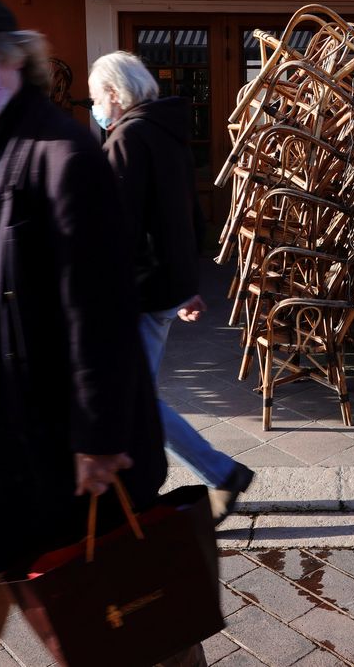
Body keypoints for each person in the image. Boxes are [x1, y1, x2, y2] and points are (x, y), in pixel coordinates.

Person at [0, 0, 173, 666]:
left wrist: (100, 438)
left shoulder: (62, 154)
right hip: (4, 430)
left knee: (121, 604)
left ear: (11, 59)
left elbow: (100, 309)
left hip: (62, 438)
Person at [89, 51, 255, 524]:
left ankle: (220, 473)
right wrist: (185, 286)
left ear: (115, 95)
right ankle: (216, 474)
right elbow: (185, 219)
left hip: (137, 293)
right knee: (133, 396)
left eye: (97, 96)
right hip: (161, 288)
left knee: (132, 399)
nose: (95, 106)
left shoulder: (128, 138)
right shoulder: (168, 136)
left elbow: (117, 228)